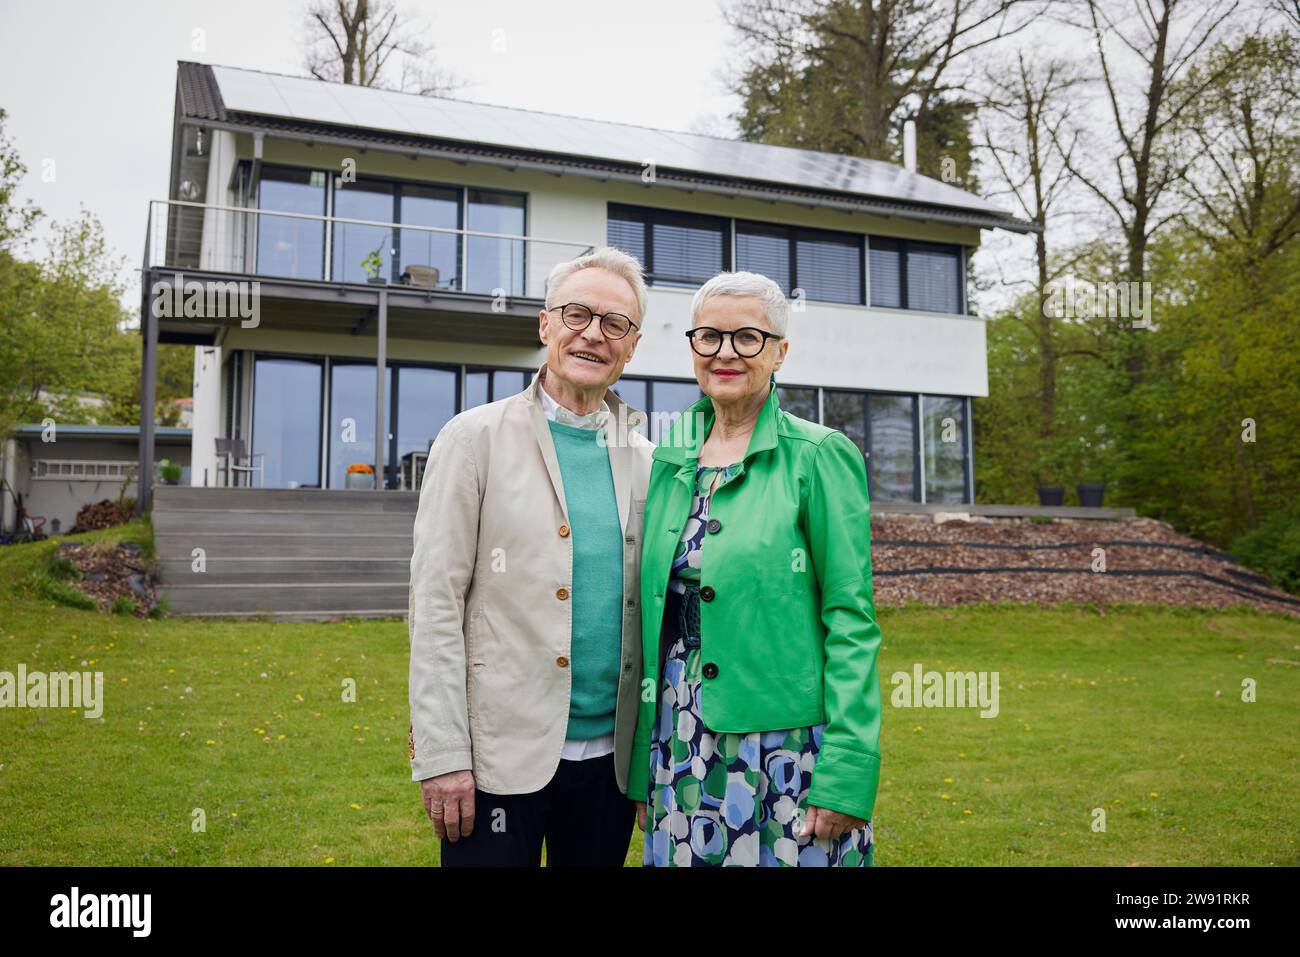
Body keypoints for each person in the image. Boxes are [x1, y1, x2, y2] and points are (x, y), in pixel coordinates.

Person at [409, 246, 654, 866]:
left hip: (610, 770)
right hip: (495, 763)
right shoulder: (474, 439)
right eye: (577, 314)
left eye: (615, 324)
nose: (593, 334)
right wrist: (442, 754)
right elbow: (435, 602)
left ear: (632, 346)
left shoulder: (649, 461)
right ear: (545, 324)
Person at [628, 270, 883, 867]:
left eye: (747, 337)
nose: (725, 353)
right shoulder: (668, 458)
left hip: (786, 750)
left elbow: (851, 620)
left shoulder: (819, 455)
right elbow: (648, 618)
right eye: (708, 337)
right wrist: (645, 761)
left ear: (779, 352)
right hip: (679, 735)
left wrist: (846, 772)